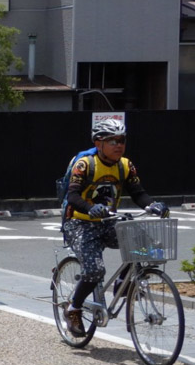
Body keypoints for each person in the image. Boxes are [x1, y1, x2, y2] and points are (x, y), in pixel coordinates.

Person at [62, 117, 167, 337]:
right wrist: (90, 207)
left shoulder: (125, 166)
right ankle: (73, 308)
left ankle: (124, 283)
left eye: (122, 140)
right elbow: (72, 195)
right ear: (98, 143)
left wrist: (153, 205)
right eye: (113, 141)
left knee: (144, 245)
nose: (119, 145)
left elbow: (138, 193)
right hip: (79, 223)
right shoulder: (86, 165)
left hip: (108, 222)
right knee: (94, 270)